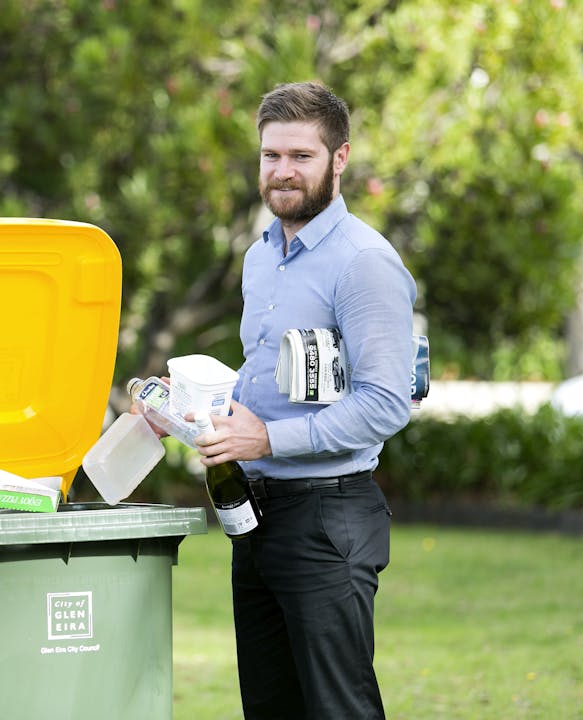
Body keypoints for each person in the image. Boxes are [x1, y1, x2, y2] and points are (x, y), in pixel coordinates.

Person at [193, 82, 417, 719]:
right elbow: (266, 378)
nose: (283, 171)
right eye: (271, 156)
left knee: (337, 709)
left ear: (339, 159)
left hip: (330, 520)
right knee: (270, 708)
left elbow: (385, 402)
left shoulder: (364, 263)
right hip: (256, 518)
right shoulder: (260, 258)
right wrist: (188, 405)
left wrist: (268, 439)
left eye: (301, 156)